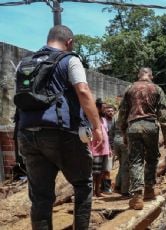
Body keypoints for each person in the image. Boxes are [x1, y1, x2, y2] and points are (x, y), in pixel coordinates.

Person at [16, 25, 103, 229]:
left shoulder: (24, 62)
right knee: (82, 184)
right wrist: (97, 127)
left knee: (40, 196)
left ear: (48, 39)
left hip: (26, 133)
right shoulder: (70, 59)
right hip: (61, 133)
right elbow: (82, 90)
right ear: (69, 42)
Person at [118, 67, 166, 210]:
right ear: (151, 76)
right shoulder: (157, 89)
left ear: (138, 75)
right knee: (152, 159)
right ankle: (149, 189)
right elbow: (164, 115)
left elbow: (122, 113)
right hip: (151, 127)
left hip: (133, 127)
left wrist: (123, 132)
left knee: (135, 161)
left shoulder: (129, 89)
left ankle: (137, 196)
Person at [90, 99, 112, 197]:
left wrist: (110, 148)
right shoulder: (92, 118)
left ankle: (98, 191)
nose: (105, 110)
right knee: (95, 172)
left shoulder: (104, 120)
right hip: (95, 150)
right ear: (97, 108)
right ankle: (92, 192)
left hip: (105, 149)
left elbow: (106, 134)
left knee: (102, 172)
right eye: (103, 108)